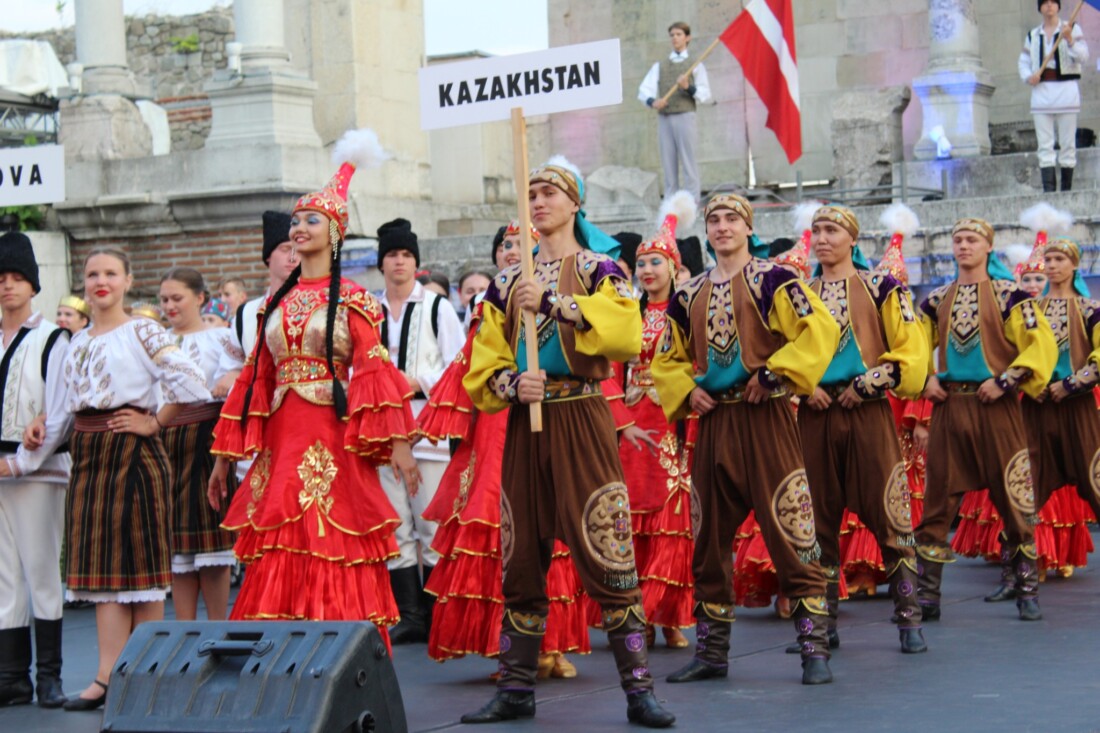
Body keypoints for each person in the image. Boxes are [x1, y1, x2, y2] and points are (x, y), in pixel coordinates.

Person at [460, 156, 675, 728]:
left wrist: (555, 303)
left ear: (574, 203)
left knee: (606, 543)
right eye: (530, 192)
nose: (538, 202)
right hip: (529, 421)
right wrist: (512, 381)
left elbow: (626, 332)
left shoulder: (602, 268)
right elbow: (484, 363)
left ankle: (638, 690)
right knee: (521, 551)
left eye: (549, 192)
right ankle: (516, 688)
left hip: (582, 412)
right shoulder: (506, 282)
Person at [207, 129, 417, 636]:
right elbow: (255, 379)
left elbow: (373, 371)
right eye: (296, 220)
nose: (299, 227)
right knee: (280, 534)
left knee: (333, 533)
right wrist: (224, 457)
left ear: (336, 231)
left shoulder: (355, 300)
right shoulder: (273, 305)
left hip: (332, 432)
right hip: (282, 436)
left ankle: (339, 656)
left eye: (311, 219)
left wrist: (400, 445)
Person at [651, 193, 840, 686]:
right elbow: (666, 358)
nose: (721, 226)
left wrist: (777, 373)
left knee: (791, 526)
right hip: (714, 423)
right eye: (713, 220)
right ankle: (712, 653)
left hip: (766, 418)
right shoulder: (687, 294)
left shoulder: (776, 279)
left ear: (748, 226)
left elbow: (818, 330)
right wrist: (687, 391)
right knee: (708, 537)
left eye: (731, 218)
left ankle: (813, 650)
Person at [15, 247, 211, 711]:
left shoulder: (143, 330)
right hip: (88, 454)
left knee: (139, 568)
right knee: (103, 571)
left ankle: (145, 673)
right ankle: (107, 675)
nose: (100, 281)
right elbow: (65, 408)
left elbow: (192, 381)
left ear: (126, 280)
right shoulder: (76, 341)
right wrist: (42, 426)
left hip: (133, 450)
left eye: (110, 273)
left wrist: (155, 422)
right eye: (92, 274)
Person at [794, 205, 928, 654]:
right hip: (815, 415)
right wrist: (802, 385)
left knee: (890, 513)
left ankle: (909, 620)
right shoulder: (799, 291)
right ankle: (822, 624)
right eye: (817, 230)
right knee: (817, 524)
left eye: (832, 230)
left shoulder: (880, 287)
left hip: (866, 414)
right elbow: (782, 348)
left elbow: (911, 350)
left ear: (853, 238)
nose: (823, 238)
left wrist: (872, 382)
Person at [915, 218, 1057, 622]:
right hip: (950, 407)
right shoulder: (936, 298)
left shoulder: (1012, 296)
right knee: (937, 502)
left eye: (971, 240)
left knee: (1015, 497)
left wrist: (1008, 379)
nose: (963, 245)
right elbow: (912, 341)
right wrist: (925, 376)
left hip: (996, 406)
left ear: (987, 247)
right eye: (957, 239)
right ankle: (927, 597)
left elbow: (1039, 344)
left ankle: (1026, 590)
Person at [376, 218, 465, 645]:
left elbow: (457, 362)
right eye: (393, 255)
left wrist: (416, 381)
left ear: (417, 262)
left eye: (407, 255)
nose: (399, 262)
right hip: (381, 429)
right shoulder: (368, 308)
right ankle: (409, 613)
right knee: (395, 524)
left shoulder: (436, 306)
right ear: (382, 263)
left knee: (430, 521)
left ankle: (437, 611)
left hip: (427, 426)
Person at [619, 192, 697, 649]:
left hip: (674, 420)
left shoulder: (687, 311)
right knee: (635, 517)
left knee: (674, 517)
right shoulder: (627, 314)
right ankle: (642, 615)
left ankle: (669, 615)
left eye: (656, 262)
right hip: (634, 424)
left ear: (673, 268)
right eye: (642, 263)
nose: (648, 270)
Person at [0, 232, 71, 708]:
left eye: (17, 278)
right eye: (1, 279)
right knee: (2, 577)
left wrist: (21, 462)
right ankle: (11, 678)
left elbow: (62, 411)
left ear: (33, 285)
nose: (7, 287)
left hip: (36, 471)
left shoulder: (52, 338)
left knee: (42, 572)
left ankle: (49, 677)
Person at [158, 268, 244, 621]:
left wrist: (232, 376)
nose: (169, 306)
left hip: (208, 436)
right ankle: (184, 631)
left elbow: (241, 371)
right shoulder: (157, 340)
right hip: (166, 439)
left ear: (200, 299)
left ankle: (217, 627)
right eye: (164, 300)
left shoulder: (219, 338)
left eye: (177, 298)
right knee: (178, 546)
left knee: (211, 542)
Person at [1019, 0, 1089, 192]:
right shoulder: (1033, 35)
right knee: (1045, 146)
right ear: (1040, 7)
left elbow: (1083, 56)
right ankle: (1049, 192)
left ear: (1058, 6)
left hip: (1066, 91)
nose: (1049, 6)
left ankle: (1066, 191)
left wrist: (1070, 40)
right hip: (1042, 93)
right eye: (1045, 2)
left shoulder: (1072, 28)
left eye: (1053, 2)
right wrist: (1028, 76)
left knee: (1067, 144)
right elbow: (1023, 62)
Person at [638, 21, 711, 202]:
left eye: (678, 34)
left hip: (686, 116)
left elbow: (705, 94)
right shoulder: (660, 66)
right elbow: (643, 90)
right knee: (668, 163)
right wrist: (652, 101)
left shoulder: (695, 65)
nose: (675, 38)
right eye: (672, 35)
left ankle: (692, 202)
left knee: (689, 161)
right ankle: (670, 204)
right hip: (665, 117)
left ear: (687, 38)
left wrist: (688, 87)